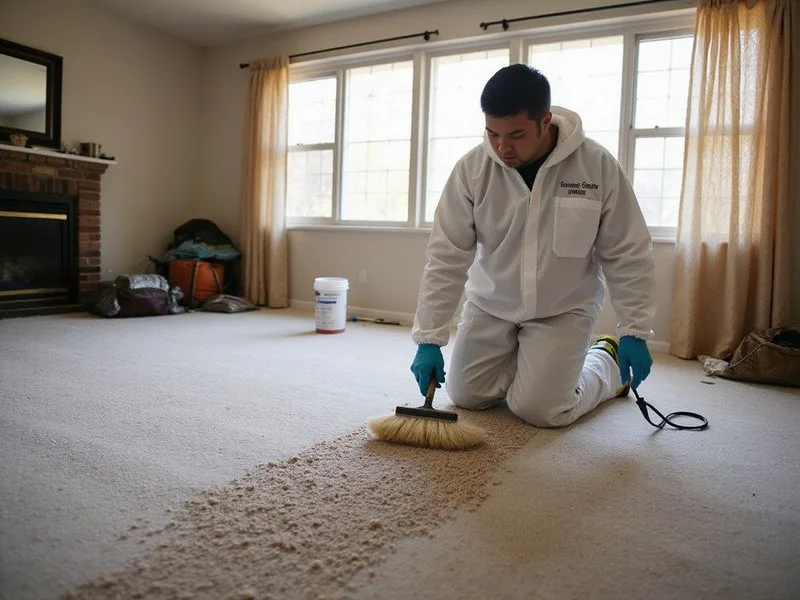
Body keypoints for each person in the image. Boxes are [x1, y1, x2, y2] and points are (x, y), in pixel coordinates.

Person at [409, 64, 656, 428]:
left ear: (545, 121)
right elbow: (446, 256)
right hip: (491, 305)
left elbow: (626, 250)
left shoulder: (596, 166)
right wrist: (429, 337)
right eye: (492, 133)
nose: (502, 147)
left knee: (542, 411)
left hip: (562, 309)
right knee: (466, 396)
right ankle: (532, 366)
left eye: (516, 135)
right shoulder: (472, 170)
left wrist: (633, 329)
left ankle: (604, 358)